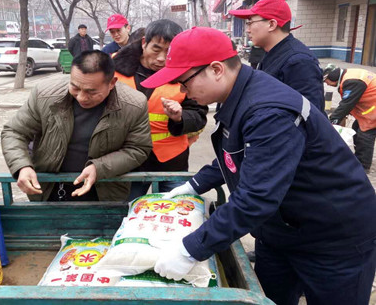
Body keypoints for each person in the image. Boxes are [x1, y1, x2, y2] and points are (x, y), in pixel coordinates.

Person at [140, 27, 376, 305]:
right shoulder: (239, 94)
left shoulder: (268, 111)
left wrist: (190, 250)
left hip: (333, 237)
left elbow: (256, 198)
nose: (183, 91)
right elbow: (241, 155)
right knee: (272, 297)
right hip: (282, 230)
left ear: (216, 69)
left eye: (185, 82)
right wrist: (194, 184)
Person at [1, 50, 152, 201]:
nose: (81, 97)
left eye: (91, 92)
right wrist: (22, 166)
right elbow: (14, 132)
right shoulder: (44, 95)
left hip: (105, 189)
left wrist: (98, 168)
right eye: (75, 87)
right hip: (50, 188)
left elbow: (138, 148)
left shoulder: (133, 105)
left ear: (112, 83)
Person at [113, 19, 208, 200]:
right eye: (156, 49)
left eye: (170, 52)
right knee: (124, 212)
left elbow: (199, 114)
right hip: (125, 159)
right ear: (144, 43)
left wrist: (180, 117)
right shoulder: (112, 68)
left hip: (171, 161)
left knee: (173, 214)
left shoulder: (188, 74)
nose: (161, 58)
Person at [229, 0, 325, 111]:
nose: (247, 30)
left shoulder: (299, 61)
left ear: (271, 24)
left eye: (250, 23)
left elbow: (308, 114)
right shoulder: (272, 52)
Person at [323, 64, 376, 173]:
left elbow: (346, 104)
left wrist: (333, 120)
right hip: (371, 106)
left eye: (326, 81)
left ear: (331, 78)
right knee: (356, 127)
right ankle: (359, 158)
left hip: (373, 109)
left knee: (365, 134)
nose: (326, 84)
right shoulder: (348, 76)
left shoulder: (351, 82)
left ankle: (363, 165)